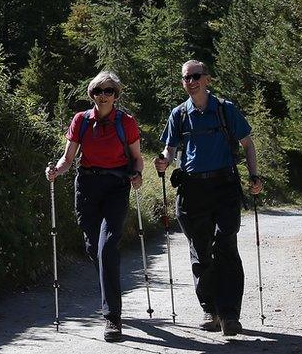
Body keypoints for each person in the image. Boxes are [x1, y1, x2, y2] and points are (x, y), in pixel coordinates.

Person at [154, 59, 263, 337]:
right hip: (192, 190)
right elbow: (170, 148)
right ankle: (210, 309)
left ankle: (229, 315)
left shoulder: (225, 110)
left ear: (207, 79)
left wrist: (254, 175)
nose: (190, 82)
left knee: (226, 244)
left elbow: (247, 143)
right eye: (186, 78)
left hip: (224, 185)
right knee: (201, 250)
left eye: (195, 76)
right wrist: (164, 161)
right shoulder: (179, 115)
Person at [45, 70, 145, 342]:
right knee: (93, 248)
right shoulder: (81, 120)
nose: (103, 96)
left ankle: (112, 317)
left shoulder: (127, 122)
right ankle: (110, 292)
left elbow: (137, 159)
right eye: (99, 91)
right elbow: (68, 158)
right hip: (87, 186)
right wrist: (56, 170)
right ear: (92, 94)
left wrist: (137, 175)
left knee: (107, 246)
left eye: (109, 91)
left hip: (116, 187)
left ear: (116, 95)